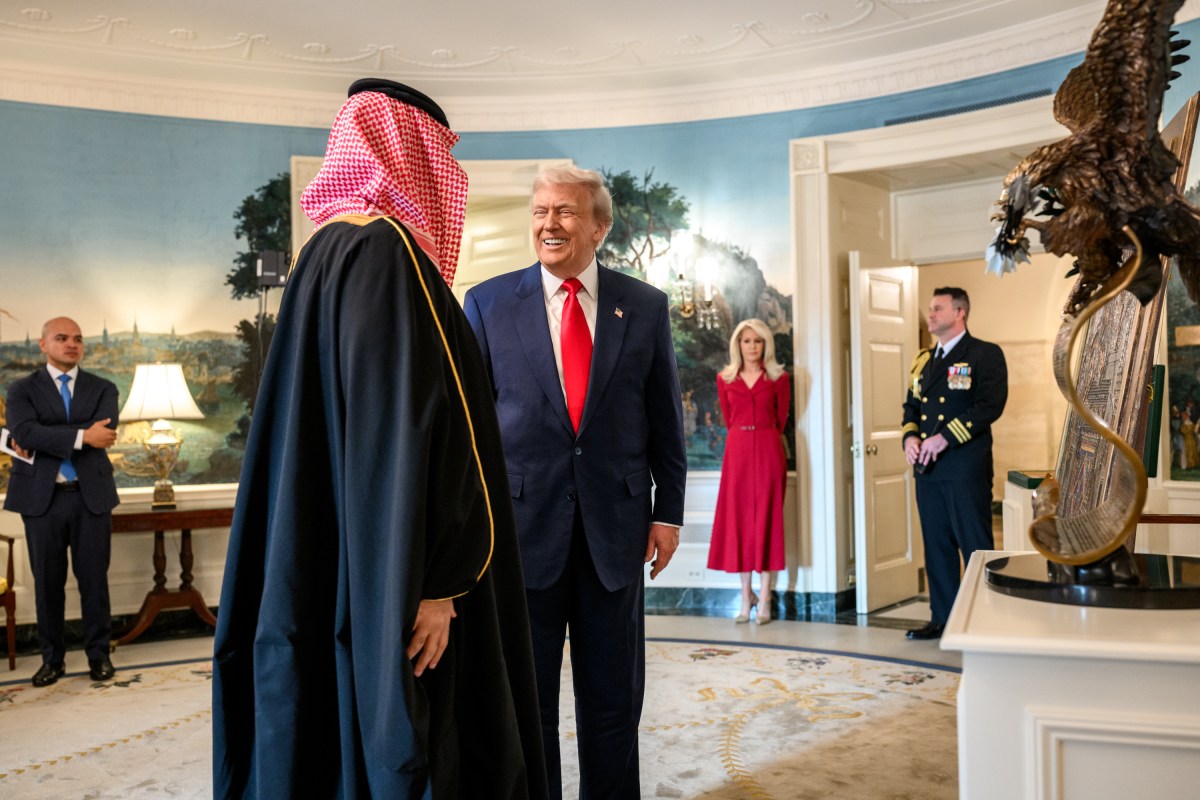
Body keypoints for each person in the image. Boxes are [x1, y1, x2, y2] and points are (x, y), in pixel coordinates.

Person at [211, 79, 547, 799]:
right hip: (404, 570)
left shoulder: (319, 259)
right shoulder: (390, 256)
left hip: (346, 552)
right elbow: (421, 425)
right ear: (409, 154)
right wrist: (439, 581)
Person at [463, 165, 687, 799]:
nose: (548, 224)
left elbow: (665, 422)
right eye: (539, 212)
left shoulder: (643, 306)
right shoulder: (485, 303)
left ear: (599, 226)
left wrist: (666, 514)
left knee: (613, 705)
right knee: (528, 710)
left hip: (614, 538)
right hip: (521, 537)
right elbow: (473, 434)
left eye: (564, 212)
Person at [4, 317, 119, 686]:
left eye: (78, 339)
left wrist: (48, 435)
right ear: (43, 344)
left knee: (94, 582)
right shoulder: (21, 389)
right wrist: (82, 435)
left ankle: (99, 656)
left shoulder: (104, 388)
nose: (72, 344)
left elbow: (106, 434)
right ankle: (52, 661)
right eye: (62, 337)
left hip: (91, 498)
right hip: (42, 500)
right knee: (47, 584)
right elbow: (23, 432)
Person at [902, 287, 1007, 640]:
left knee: (975, 545)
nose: (930, 314)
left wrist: (945, 436)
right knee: (937, 546)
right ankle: (943, 618)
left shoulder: (984, 354)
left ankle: (987, 619)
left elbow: (990, 405)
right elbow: (911, 408)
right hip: (928, 469)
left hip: (964, 467)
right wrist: (910, 438)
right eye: (930, 309)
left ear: (959, 312)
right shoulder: (922, 360)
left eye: (937, 308)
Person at [706, 318, 791, 624]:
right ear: (737, 345)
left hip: (769, 448)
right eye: (746, 341)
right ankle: (746, 597)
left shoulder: (779, 378)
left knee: (767, 520)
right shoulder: (725, 378)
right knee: (740, 523)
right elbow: (729, 419)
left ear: (765, 344)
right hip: (738, 451)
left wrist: (761, 435)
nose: (752, 346)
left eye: (757, 341)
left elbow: (781, 419)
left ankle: (765, 597)